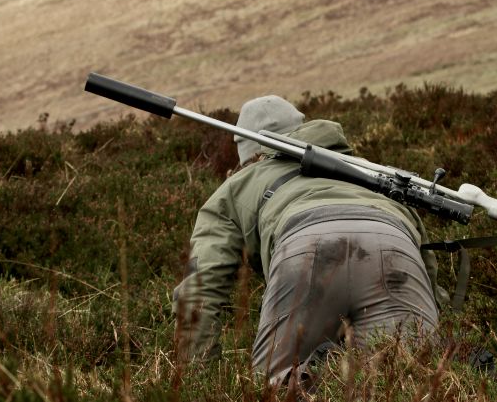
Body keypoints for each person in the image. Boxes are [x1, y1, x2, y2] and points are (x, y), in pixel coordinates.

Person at [172, 95, 439, 386]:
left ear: (248, 151)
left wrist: (196, 380)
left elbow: (200, 289)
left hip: (305, 250)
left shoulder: (235, 187)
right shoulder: (376, 172)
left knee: (278, 388)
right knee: (411, 383)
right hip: (395, 250)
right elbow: (426, 264)